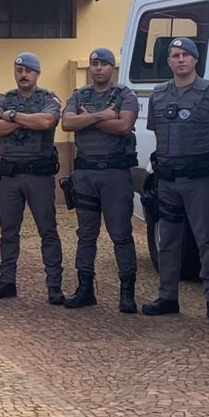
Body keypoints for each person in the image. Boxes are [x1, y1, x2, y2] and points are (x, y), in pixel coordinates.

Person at [143, 36, 209, 321]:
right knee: (168, 240)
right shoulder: (159, 95)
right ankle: (167, 297)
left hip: (198, 180)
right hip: (168, 181)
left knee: (206, 240)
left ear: (195, 59)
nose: (180, 59)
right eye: (175, 55)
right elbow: (156, 130)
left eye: (186, 55)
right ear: (169, 62)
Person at [60, 47, 142, 312]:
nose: (98, 68)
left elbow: (123, 126)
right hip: (85, 174)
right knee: (86, 234)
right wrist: (101, 116)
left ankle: (127, 294)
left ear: (111, 68)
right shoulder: (79, 95)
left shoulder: (125, 95)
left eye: (103, 64)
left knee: (120, 234)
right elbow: (67, 124)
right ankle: (85, 289)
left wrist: (85, 118)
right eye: (94, 63)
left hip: (115, 175)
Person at [0, 51, 65, 303]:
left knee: (47, 231)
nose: (23, 74)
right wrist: (27, 121)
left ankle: (54, 286)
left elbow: (47, 122)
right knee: (8, 232)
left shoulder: (48, 98)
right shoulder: (5, 98)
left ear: (37, 73)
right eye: (19, 70)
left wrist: (12, 117)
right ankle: (7, 282)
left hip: (39, 176)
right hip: (10, 176)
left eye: (28, 70)